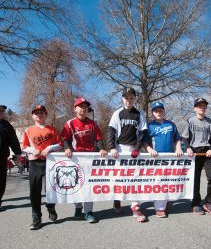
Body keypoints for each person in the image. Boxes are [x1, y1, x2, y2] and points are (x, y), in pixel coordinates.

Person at [61, 97, 107, 223]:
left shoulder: (93, 123)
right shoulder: (70, 123)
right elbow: (65, 139)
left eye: (85, 107)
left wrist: (101, 149)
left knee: (88, 186)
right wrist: (67, 148)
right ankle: (78, 207)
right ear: (75, 109)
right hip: (75, 158)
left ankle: (89, 212)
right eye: (81, 106)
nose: (83, 109)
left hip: (90, 158)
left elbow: (98, 139)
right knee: (76, 184)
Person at [108, 87, 148, 222]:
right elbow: (111, 131)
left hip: (133, 150)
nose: (128, 100)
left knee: (135, 179)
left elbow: (143, 133)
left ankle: (135, 207)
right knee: (119, 178)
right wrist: (112, 147)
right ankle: (117, 200)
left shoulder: (139, 113)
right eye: (126, 97)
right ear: (122, 99)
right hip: (119, 149)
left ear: (135, 99)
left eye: (131, 97)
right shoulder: (117, 113)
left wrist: (137, 148)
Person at [22, 105, 62, 230]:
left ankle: (51, 207)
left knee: (50, 188)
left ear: (46, 115)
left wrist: (49, 148)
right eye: (36, 113)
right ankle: (36, 218)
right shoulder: (28, 130)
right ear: (33, 116)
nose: (39, 115)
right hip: (34, 162)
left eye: (41, 112)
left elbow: (60, 144)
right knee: (34, 190)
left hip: (50, 162)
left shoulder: (52, 129)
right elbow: (23, 146)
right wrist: (33, 150)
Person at [182, 98, 211, 218]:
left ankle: (209, 203)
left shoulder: (210, 122)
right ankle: (195, 203)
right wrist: (187, 148)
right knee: (195, 179)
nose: (201, 108)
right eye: (199, 106)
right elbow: (184, 137)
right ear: (195, 108)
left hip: (207, 153)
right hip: (194, 152)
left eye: (204, 106)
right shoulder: (190, 121)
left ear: (206, 108)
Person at [145, 102, 183, 218]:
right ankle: (159, 208)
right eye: (156, 110)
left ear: (164, 111)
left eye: (160, 110)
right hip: (157, 158)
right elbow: (144, 141)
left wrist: (178, 148)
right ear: (152, 113)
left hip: (170, 158)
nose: (158, 112)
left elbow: (177, 139)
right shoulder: (150, 126)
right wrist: (149, 149)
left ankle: (164, 202)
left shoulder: (171, 124)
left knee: (169, 181)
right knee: (159, 182)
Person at [0, 104, 22, 210]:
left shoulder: (6, 125)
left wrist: (17, 153)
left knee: (1, 181)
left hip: (1, 158)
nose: (1, 113)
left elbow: (13, 140)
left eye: (2, 111)